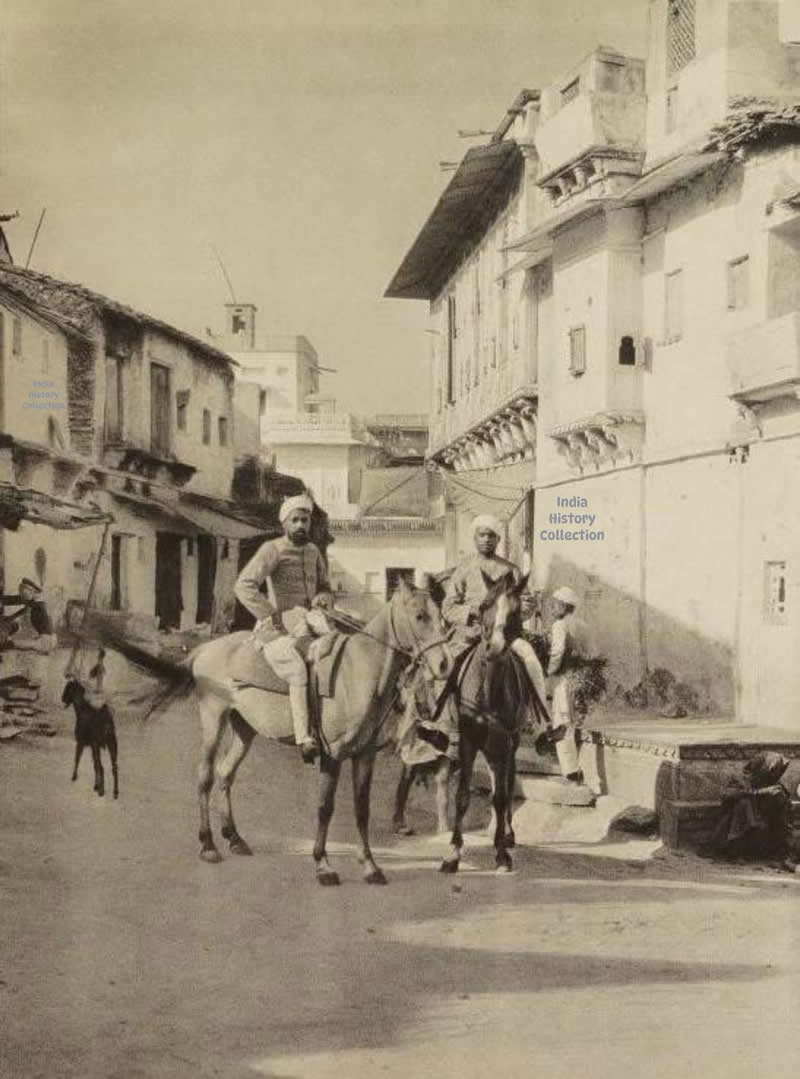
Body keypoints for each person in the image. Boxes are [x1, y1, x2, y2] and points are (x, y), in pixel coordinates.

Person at [234, 493, 332, 764]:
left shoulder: (313, 552)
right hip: (276, 630)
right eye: (295, 520)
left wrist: (322, 597)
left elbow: (325, 586)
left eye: (305, 520)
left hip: (309, 622)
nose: (300, 525)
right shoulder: (272, 549)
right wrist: (270, 614)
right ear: (284, 523)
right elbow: (243, 585)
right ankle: (304, 738)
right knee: (297, 668)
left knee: (336, 652)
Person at [442, 515, 547, 707]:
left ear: (498, 539)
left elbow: (528, 604)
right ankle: (443, 717)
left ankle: (540, 716)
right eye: (482, 535)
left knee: (531, 660)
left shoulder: (512, 570)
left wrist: (510, 614)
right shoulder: (464, 569)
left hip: (507, 636)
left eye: (491, 535)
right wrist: (473, 611)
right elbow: (448, 607)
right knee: (444, 667)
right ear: (475, 538)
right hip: (468, 636)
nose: (486, 539)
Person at [546, 585, 592, 783]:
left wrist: (549, 671)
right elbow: (588, 653)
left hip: (563, 678)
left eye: (555, 605)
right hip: (579, 678)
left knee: (562, 721)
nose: (552, 609)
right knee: (574, 720)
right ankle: (575, 767)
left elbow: (557, 652)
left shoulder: (560, 625)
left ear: (564, 606)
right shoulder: (583, 625)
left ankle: (570, 770)